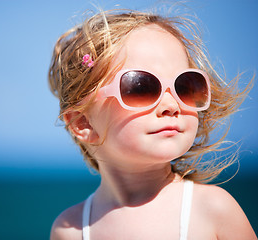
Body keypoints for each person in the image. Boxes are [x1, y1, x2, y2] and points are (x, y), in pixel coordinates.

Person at [48, 8, 257, 240]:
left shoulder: (212, 210)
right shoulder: (71, 229)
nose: (172, 104)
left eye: (185, 86)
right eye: (141, 87)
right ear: (83, 123)